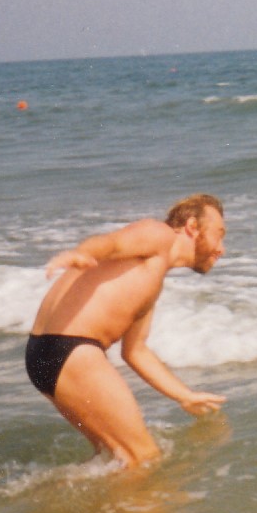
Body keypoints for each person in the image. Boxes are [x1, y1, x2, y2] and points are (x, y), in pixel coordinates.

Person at [26, 194, 228, 467]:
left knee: (113, 459)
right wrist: (83, 253)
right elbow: (112, 243)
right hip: (72, 349)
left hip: (43, 355)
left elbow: (135, 351)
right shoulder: (160, 235)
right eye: (219, 234)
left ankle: (48, 494)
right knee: (144, 458)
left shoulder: (152, 280)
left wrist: (185, 395)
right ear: (192, 227)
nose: (221, 249)